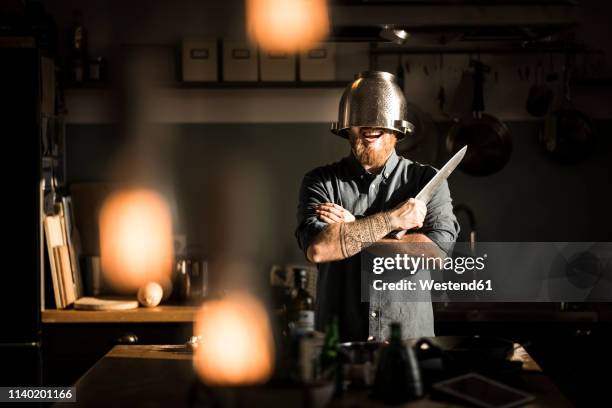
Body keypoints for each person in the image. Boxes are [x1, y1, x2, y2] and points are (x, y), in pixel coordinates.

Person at [295, 71, 459, 341]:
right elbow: (320, 248)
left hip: (408, 339)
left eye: (378, 121)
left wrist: (351, 230)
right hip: (340, 338)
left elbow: (435, 253)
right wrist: (392, 221)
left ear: (398, 129)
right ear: (347, 128)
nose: (369, 127)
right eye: (360, 121)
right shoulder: (321, 182)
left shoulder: (428, 181)